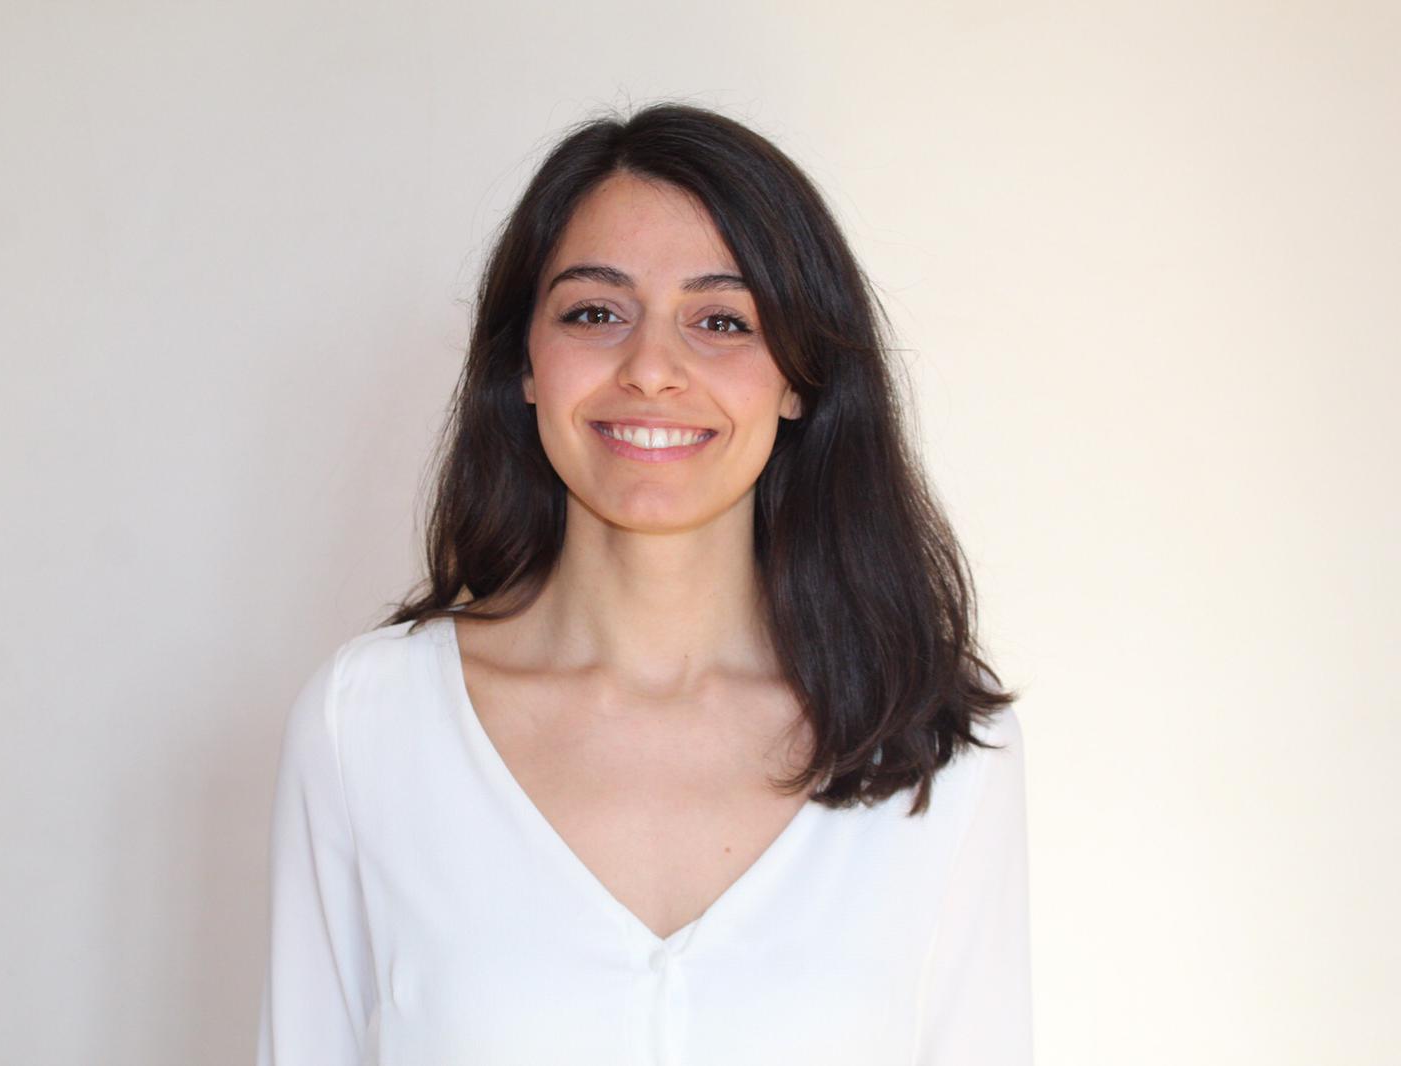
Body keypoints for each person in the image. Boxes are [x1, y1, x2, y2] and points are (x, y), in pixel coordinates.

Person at [257, 101, 1032, 1065]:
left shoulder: (940, 743)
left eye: (722, 320)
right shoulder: (366, 723)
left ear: (799, 377)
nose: (652, 369)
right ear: (524, 362)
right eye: (596, 312)